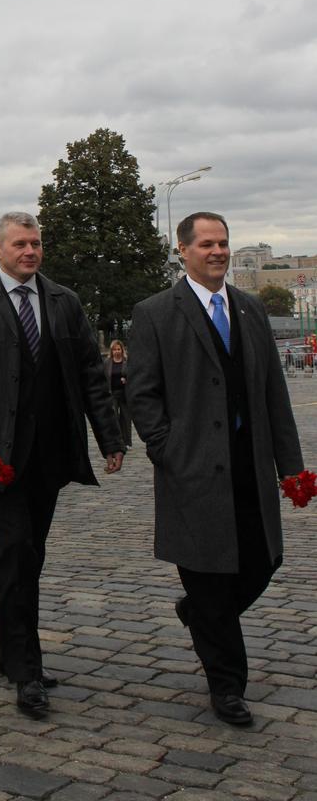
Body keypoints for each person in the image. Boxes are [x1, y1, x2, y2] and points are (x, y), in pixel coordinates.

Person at [0, 211, 124, 719]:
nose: (30, 251)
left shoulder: (63, 301)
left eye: (36, 243)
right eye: (19, 243)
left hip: (50, 454)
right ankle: (26, 669)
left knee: (29, 552)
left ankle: (11, 649)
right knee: (15, 546)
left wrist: (110, 437)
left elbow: (90, 372)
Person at [127, 212, 304, 728]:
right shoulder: (156, 313)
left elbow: (275, 392)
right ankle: (227, 687)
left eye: (224, 243)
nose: (219, 252)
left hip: (251, 465)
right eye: (207, 244)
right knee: (207, 576)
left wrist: (290, 467)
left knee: (262, 562)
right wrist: (168, 449)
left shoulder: (248, 309)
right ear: (182, 250)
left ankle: (200, 614)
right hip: (194, 473)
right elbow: (142, 393)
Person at [104, 339, 131, 449]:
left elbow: (134, 375)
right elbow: (103, 377)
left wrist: (126, 380)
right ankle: (116, 441)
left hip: (124, 394)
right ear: (111, 351)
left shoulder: (127, 361)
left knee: (125, 418)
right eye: (114, 349)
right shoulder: (107, 363)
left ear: (122, 350)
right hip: (112, 394)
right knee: (113, 418)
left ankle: (127, 442)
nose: (116, 351)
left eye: (118, 349)